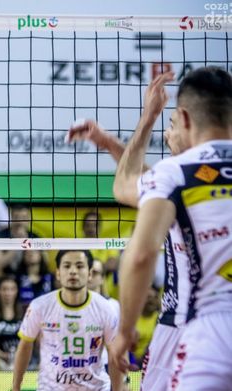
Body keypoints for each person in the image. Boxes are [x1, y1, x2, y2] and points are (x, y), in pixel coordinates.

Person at [108, 67, 232, 390]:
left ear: (185, 118)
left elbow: (141, 254)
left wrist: (126, 330)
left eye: (172, 122)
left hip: (207, 329)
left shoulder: (176, 173)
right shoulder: (171, 173)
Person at [68, 71, 191, 390]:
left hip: (184, 320)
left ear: (190, 124)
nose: (167, 134)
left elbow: (128, 183)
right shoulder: (192, 180)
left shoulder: (176, 177)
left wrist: (148, 118)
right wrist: (108, 142)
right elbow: (146, 178)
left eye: (171, 126)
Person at [13, 250, 123, 391]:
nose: (73, 271)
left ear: (90, 274)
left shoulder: (105, 308)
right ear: (58, 273)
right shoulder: (39, 306)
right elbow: (25, 346)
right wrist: (16, 387)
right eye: (67, 266)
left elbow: (115, 355)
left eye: (79, 266)